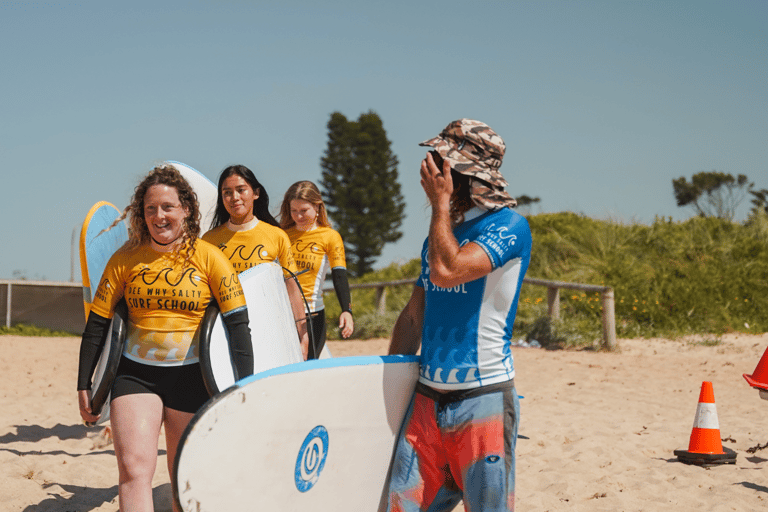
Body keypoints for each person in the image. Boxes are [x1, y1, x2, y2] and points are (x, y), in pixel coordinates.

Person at [77, 164, 253, 512]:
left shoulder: (210, 258)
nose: (159, 215)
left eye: (167, 207)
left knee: (182, 474)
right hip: (135, 374)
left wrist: (245, 388)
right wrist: (85, 382)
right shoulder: (125, 258)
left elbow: (239, 326)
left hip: (192, 376)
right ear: (142, 214)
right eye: (150, 208)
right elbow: (98, 324)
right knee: (133, 470)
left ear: (185, 209)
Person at [386, 119, 532, 512]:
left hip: (482, 403)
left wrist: (439, 206)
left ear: (470, 173)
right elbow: (414, 317)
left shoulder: (510, 227)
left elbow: (448, 271)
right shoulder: (440, 234)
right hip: (426, 403)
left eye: (443, 163)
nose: (432, 170)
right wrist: (391, 382)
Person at [202, 164, 309, 359]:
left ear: (256, 193)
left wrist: (303, 332)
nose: (234, 197)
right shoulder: (209, 241)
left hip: (270, 328)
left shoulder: (276, 236)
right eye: (227, 192)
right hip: (226, 330)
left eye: (241, 190)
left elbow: (291, 287)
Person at [278, 181, 354, 359]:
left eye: (303, 210)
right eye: (293, 211)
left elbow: (340, 276)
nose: (298, 216)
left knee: (305, 370)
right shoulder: (282, 235)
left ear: (317, 207)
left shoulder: (330, 237)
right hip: (283, 314)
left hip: (312, 315)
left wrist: (346, 310)